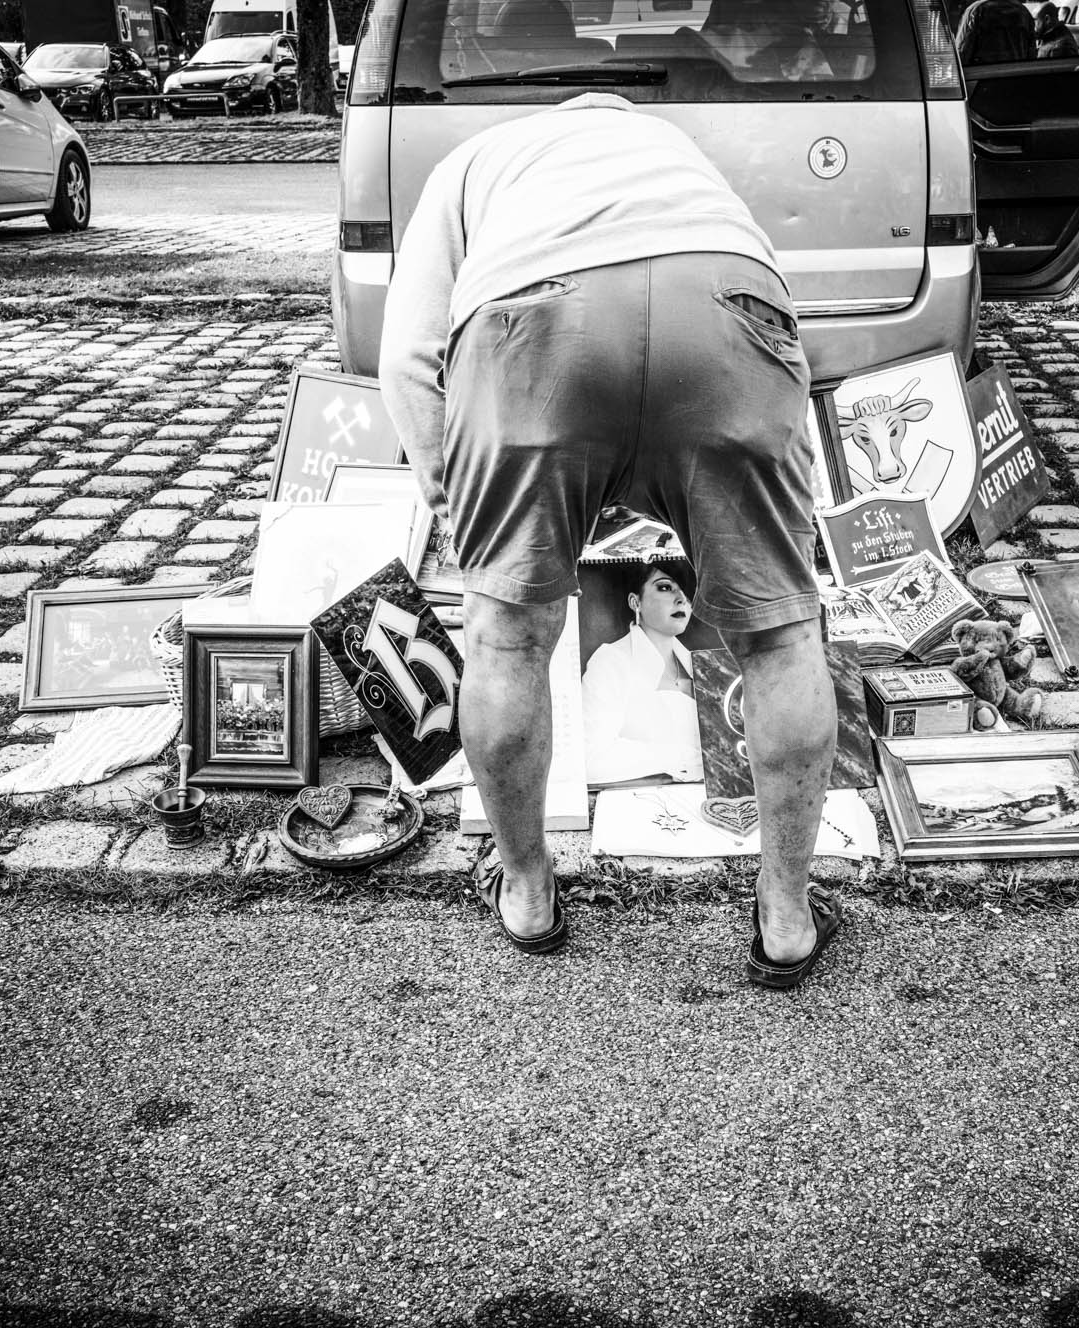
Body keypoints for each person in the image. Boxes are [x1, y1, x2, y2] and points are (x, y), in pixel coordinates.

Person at [379, 93, 840, 988]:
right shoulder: (678, 157)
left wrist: (455, 501)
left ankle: (527, 893)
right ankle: (786, 918)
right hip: (723, 312)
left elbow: (406, 356)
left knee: (505, 640)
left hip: (532, 325)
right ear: (623, 117)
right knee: (784, 636)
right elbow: (775, 315)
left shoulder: (478, 163)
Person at [581, 561, 704, 787]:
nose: (681, 598)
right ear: (635, 601)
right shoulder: (611, 662)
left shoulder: (705, 667)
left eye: (686, 589)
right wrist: (687, 759)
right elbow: (590, 760)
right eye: (665, 587)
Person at [955, 0, 1035, 65]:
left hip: (984, 78)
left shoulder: (976, 10)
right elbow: (1031, 55)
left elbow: (961, 54)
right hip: (1017, 76)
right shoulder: (1024, 11)